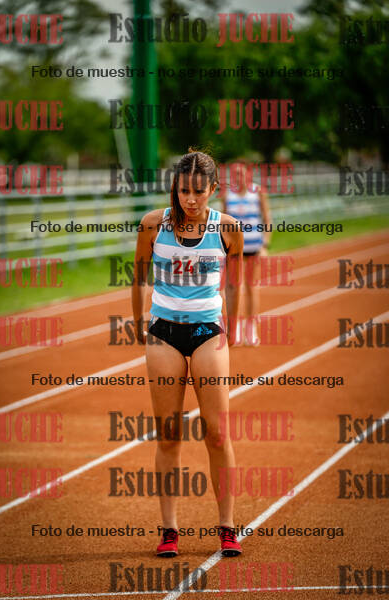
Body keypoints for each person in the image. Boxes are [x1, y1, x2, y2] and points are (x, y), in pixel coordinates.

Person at [131, 150, 244, 557]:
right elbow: (139, 275)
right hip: (164, 332)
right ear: (174, 189)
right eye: (183, 191)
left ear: (213, 188)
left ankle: (227, 527)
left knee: (217, 433)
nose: (190, 199)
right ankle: (169, 530)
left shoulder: (228, 228)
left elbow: (233, 282)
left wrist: (233, 326)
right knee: (169, 434)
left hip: (207, 333)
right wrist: (139, 322)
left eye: (199, 191)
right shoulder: (152, 224)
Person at [222, 161, 272, 346]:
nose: (238, 177)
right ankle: (234, 329)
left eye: (241, 174)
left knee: (251, 287)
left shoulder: (258, 192)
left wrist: (265, 244)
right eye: (235, 174)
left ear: (248, 175)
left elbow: (267, 219)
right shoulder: (227, 195)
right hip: (234, 250)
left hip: (253, 247)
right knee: (234, 288)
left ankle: (251, 329)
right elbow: (224, 222)